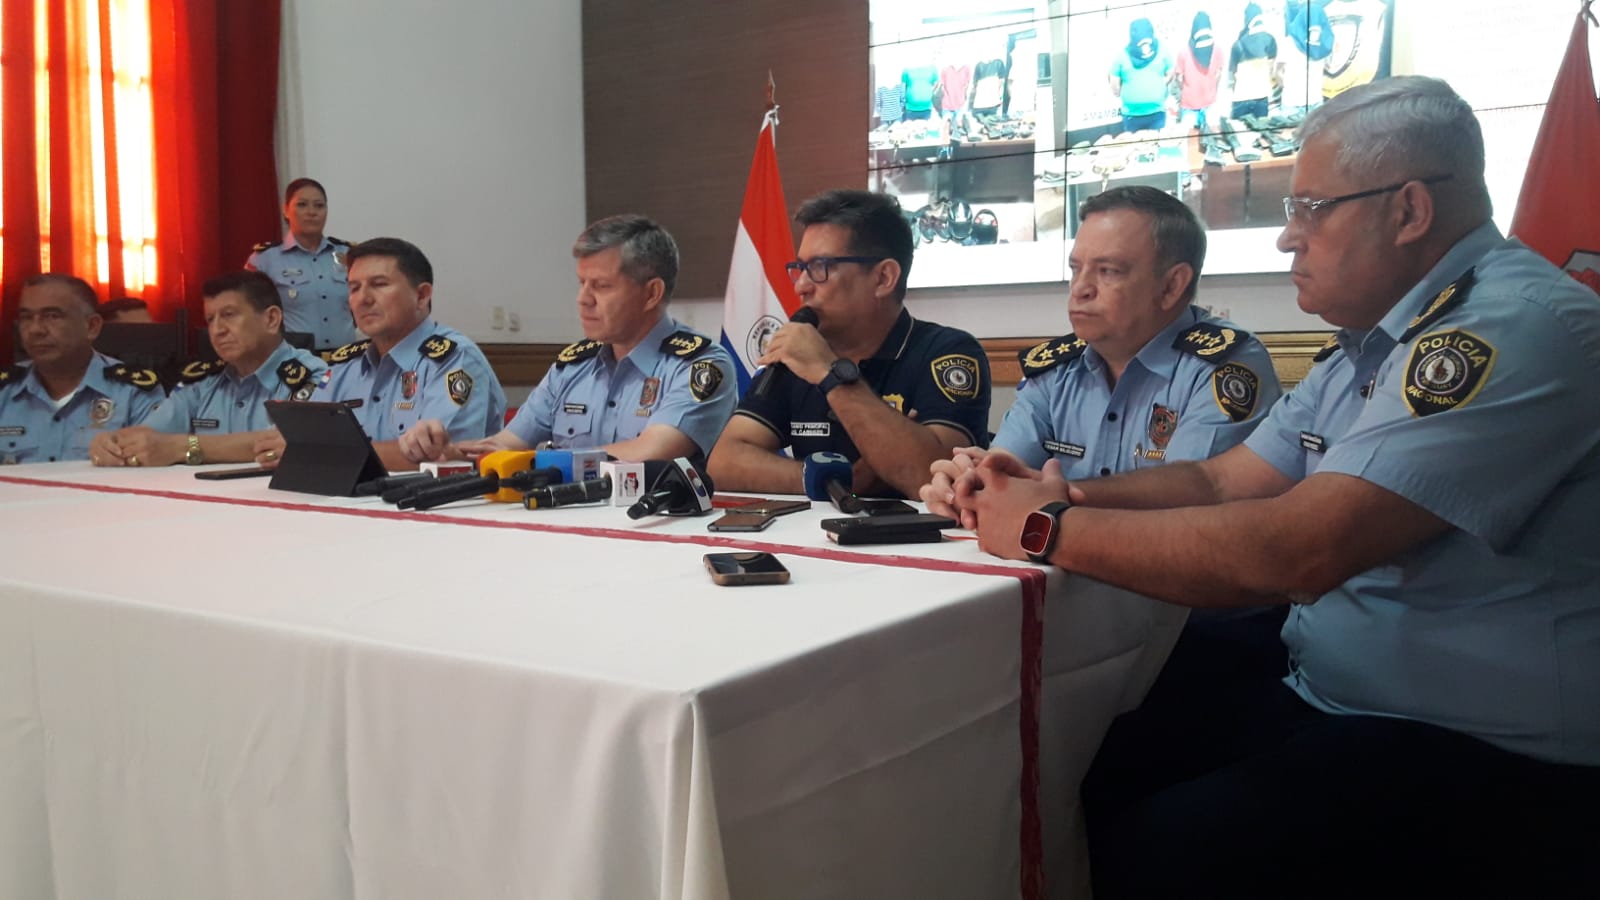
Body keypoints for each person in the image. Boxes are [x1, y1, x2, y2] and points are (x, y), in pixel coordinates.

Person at [951, 76, 1600, 897]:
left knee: (1165, 849)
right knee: (1074, 760)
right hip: (1329, 689)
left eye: (1310, 210)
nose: (1288, 239)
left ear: (1408, 211)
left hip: (1479, 741)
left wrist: (1044, 530)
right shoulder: (1372, 343)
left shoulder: (1504, 329)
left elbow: (1300, 548)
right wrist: (1063, 498)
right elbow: (1225, 483)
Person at [921, 186, 1280, 513]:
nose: (1080, 289)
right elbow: (1004, 470)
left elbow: (1192, 501)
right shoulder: (1056, 370)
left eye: (1108, 271)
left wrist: (1052, 494)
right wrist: (965, 486)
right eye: (1076, 269)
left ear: (1172, 286)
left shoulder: (1223, 366)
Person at [707, 189, 990, 499]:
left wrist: (830, 373)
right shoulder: (798, 354)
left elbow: (933, 477)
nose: (801, 286)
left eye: (820, 267)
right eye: (800, 268)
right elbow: (723, 461)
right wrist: (827, 480)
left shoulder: (947, 351)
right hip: (811, 539)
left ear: (883, 278)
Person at [397, 215, 735, 465]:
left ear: (651, 294)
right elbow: (507, 444)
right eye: (581, 283)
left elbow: (650, 452)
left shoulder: (699, 364)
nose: (583, 299)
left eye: (601, 286)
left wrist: (540, 461)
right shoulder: (574, 365)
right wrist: (449, 452)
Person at [255, 237, 505, 472]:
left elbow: (445, 458)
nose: (362, 299)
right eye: (354, 288)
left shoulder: (453, 358)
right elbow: (298, 437)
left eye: (379, 284)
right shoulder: (345, 365)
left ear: (421, 295)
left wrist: (319, 453)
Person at [89, 271, 328, 467]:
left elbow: (288, 441)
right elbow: (150, 435)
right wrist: (112, 442)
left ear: (271, 319)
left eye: (229, 315)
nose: (217, 330)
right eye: (210, 319)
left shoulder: (313, 376)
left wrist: (183, 447)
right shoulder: (202, 382)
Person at [0, 274, 163, 465]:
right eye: (26, 317)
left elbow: (154, 468)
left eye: (52, 316)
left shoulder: (133, 392)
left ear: (92, 326)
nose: (35, 329)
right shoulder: (5, 390)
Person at [245, 177, 358, 351]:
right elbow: (250, 315)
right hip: (294, 363)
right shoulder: (264, 259)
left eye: (319, 206)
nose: (311, 212)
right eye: (302, 205)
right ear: (285, 210)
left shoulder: (348, 254)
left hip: (345, 359)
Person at [1108, 17, 1173, 133]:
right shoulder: (1122, 55)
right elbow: (1114, 82)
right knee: (1132, 149)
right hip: (1131, 115)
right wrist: (1119, 93)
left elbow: (1170, 70)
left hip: (1157, 112)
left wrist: (1162, 84)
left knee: (1157, 147)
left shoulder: (1162, 49)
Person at [1174, 11, 1224, 132]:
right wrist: (1211, 89)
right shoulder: (1217, 50)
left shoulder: (1183, 52)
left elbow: (1179, 79)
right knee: (1212, 141)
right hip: (1208, 104)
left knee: (1188, 143)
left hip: (1190, 106)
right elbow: (1218, 74)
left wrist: (1189, 90)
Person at [1228, 3, 1278, 119]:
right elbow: (1270, 68)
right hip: (1262, 97)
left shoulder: (1238, 44)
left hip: (1241, 98)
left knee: (1239, 133)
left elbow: (1232, 75)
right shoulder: (1270, 40)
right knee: (1261, 134)